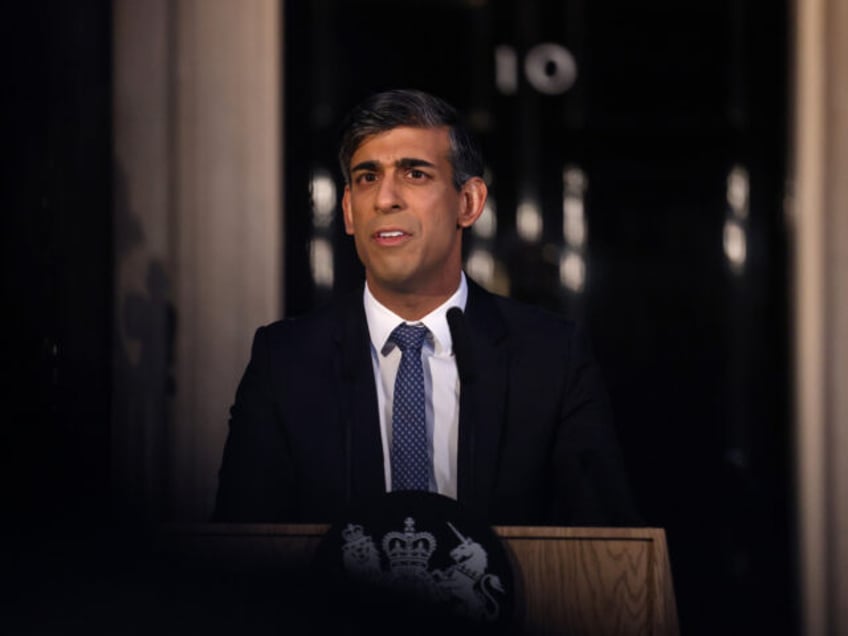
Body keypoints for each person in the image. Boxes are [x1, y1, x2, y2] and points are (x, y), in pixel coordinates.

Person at [213, 89, 639, 526]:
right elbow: (240, 552)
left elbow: (604, 550)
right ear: (347, 211)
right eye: (367, 177)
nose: (385, 200)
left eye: (414, 174)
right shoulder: (284, 361)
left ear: (468, 202)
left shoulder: (552, 356)